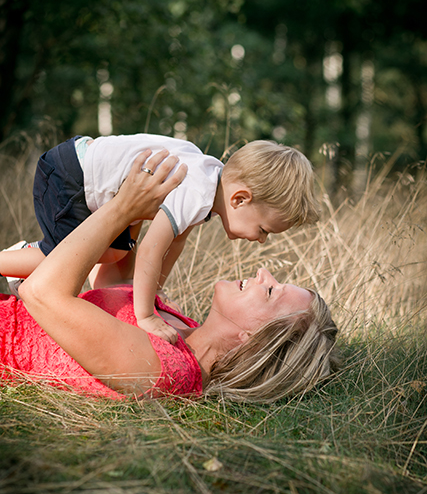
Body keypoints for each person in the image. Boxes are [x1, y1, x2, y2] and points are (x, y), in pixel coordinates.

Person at [0, 151, 338, 403]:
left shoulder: (168, 372)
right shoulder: (180, 326)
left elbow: (42, 293)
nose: (264, 273)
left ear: (253, 340)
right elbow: (108, 289)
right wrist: (136, 208)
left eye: (271, 293)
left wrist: (122, 209)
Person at [0, 133, 320, 344]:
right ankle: (16, 260)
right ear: (239, 199)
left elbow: (174, 242)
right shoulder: (197, 191)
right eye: (264, 230)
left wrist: (155, 292)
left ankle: (32, 260)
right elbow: (153, 247)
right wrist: (146, 315)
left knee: (112, 254)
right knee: (61, 258)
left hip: (83, 173)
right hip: (72, 175)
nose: (261, 241)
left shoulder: (209, 180)